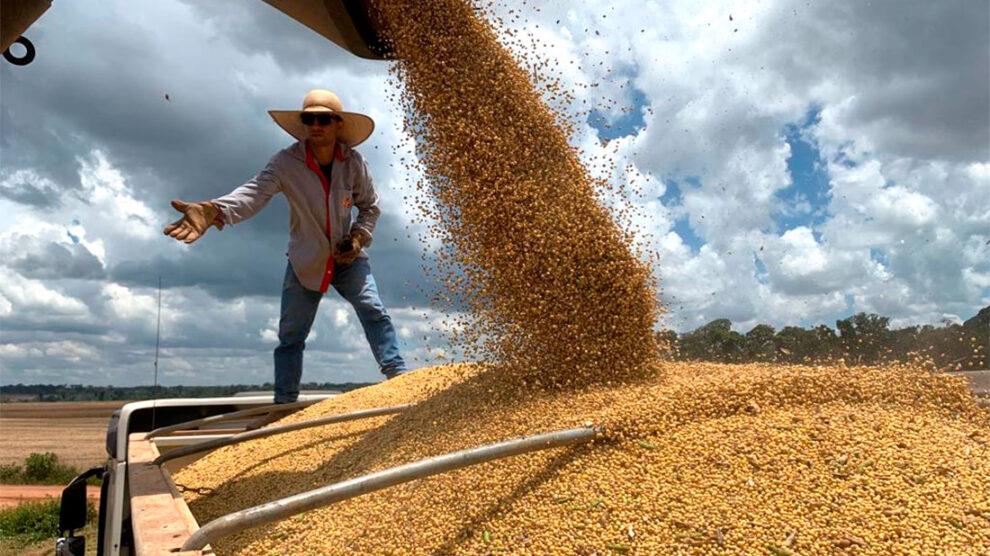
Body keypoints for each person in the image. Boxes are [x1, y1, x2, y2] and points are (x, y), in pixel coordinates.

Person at [163, 89, 407, 403]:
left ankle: (398, 375)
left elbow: (370, 207)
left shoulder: (353, 163)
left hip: (348, 257)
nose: (316, 125)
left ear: (337, 125)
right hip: (306, 259)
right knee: (291, 337)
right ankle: (284, 403)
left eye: (323, 119)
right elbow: (254, 193)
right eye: (309, 119)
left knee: (374, 310)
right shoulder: (285, 163)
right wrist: (215, 211)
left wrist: (358, 238)